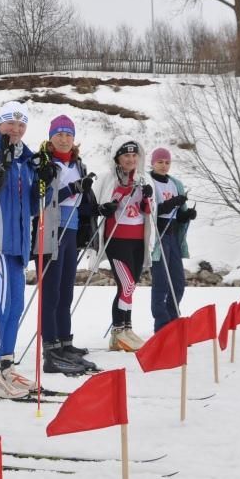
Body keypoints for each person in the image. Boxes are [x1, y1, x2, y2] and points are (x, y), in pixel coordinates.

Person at [0, 101, 55, 399]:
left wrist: (45, 182)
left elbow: (33, 205)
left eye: (21, 124)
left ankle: (6, 367)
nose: (15, 129)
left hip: (17, 246)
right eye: (10, 123)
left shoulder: (25, 160)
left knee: (15, 307)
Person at [35, 115, 104, 375]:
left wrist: (98, 208)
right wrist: (72, 188)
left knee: (66, 291)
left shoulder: (78, 165)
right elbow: (41, 198)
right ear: (51, 137)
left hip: (72, 229)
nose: (64, 139)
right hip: (50, 229)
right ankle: (50, 350)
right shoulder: (43, 162)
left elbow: (83, 200)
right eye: (59, 134)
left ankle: (65, 343)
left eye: (68, 134)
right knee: (51, 291)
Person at [95, 141, 152, 352]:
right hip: (116, 239)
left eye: (134, 156)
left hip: (137, 240)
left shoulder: (143, 179)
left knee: (129, 287)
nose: (130, 160)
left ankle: (125, 329)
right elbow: (100, 203)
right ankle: (119, 331)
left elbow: (147, 210)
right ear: (117, 158)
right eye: (126, 156)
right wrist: (107, 206)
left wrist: (147, 196)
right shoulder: (109, 179)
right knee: (126, 285)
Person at [148, 147, 196, 332]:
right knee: (161, 283)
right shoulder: (150, 182)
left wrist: (187, 215)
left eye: (167, 162)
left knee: (177, 282)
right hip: (158, 237)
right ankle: (161, 326)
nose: (163, 165)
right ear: (153, 163)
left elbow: (179, 213)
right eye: (160, 162)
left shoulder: (175, 183)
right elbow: (152, 210)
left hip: (173, 236)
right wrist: (171, 203)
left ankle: (173, 320)